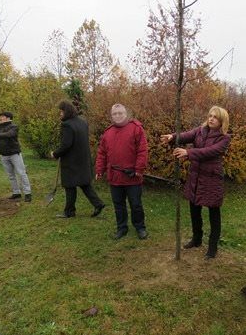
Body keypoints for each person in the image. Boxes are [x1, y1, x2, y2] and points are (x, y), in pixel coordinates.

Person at [161, 106, 231, 259]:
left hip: (212, 179)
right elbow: (186, 136)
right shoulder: (200, 130)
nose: (211, 118)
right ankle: (197, 239)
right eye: (210, 115)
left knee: (214, 213)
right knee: (194, 209)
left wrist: (188, 152)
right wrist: (173, 137)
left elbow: (210, 151)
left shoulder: (224, 138)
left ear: (222, 121)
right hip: (196, 177)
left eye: (215, 117)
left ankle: (212, 248)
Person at [95, 104, 149, 240]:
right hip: (114, 176)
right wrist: (99, 170)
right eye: (114, 114)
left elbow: (142, 151)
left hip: (132, 176)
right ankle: (121, 228)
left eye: (120, 113)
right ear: (111, 116)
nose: (117, 116)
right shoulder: (107, 133)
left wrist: (139, 169)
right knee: (118, 205)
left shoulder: (136, 129)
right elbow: (102, 153)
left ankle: (140, 227)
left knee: (136, 204)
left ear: (126, 114)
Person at [50, 101, 105, 218]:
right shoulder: (83, 122)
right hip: (83, 159)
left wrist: (55, 154)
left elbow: (66, 145)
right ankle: (98, 204)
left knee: (70, 186)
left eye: (61, 111)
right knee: (84, 184)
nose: (60, 114)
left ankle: (69, 212)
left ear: (67, 111)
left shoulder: (67, 125)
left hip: (72, 161)